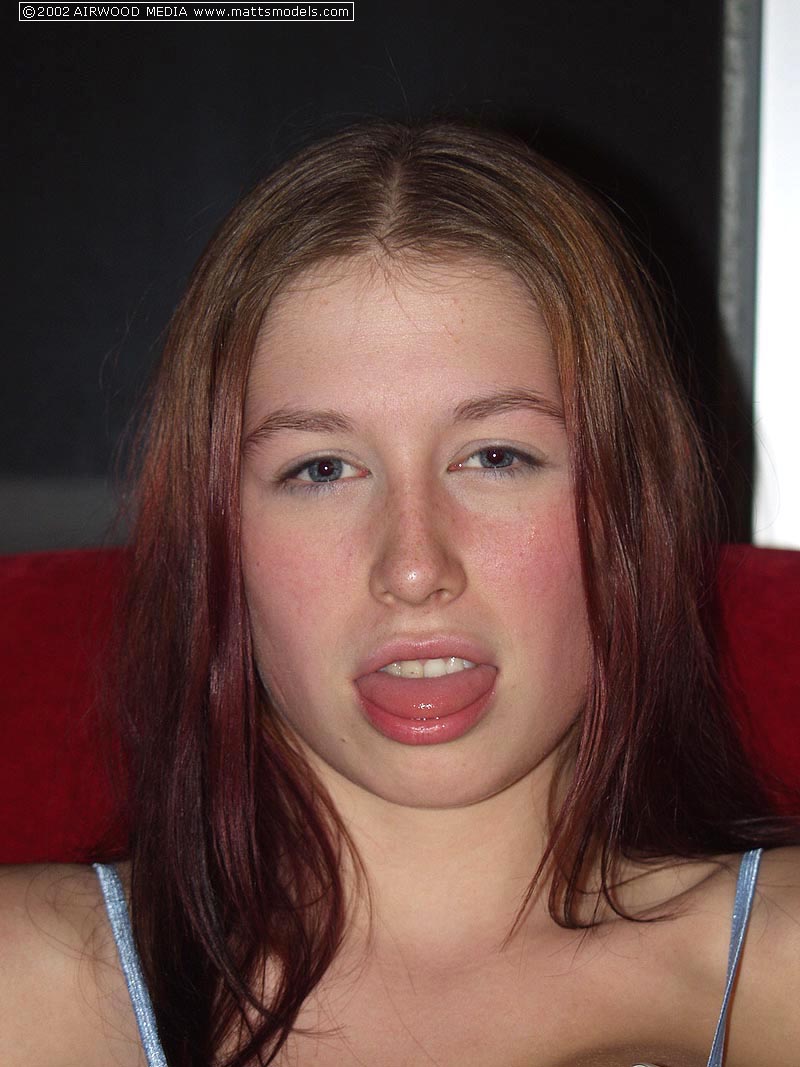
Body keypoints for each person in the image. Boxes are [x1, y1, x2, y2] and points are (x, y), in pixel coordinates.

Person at [0, 121, 797, 1067]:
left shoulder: (776, 960)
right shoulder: (31, 982)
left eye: (496, 457)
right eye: (322, 469)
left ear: (628, 505)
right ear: (217, 539)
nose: (414, 567)